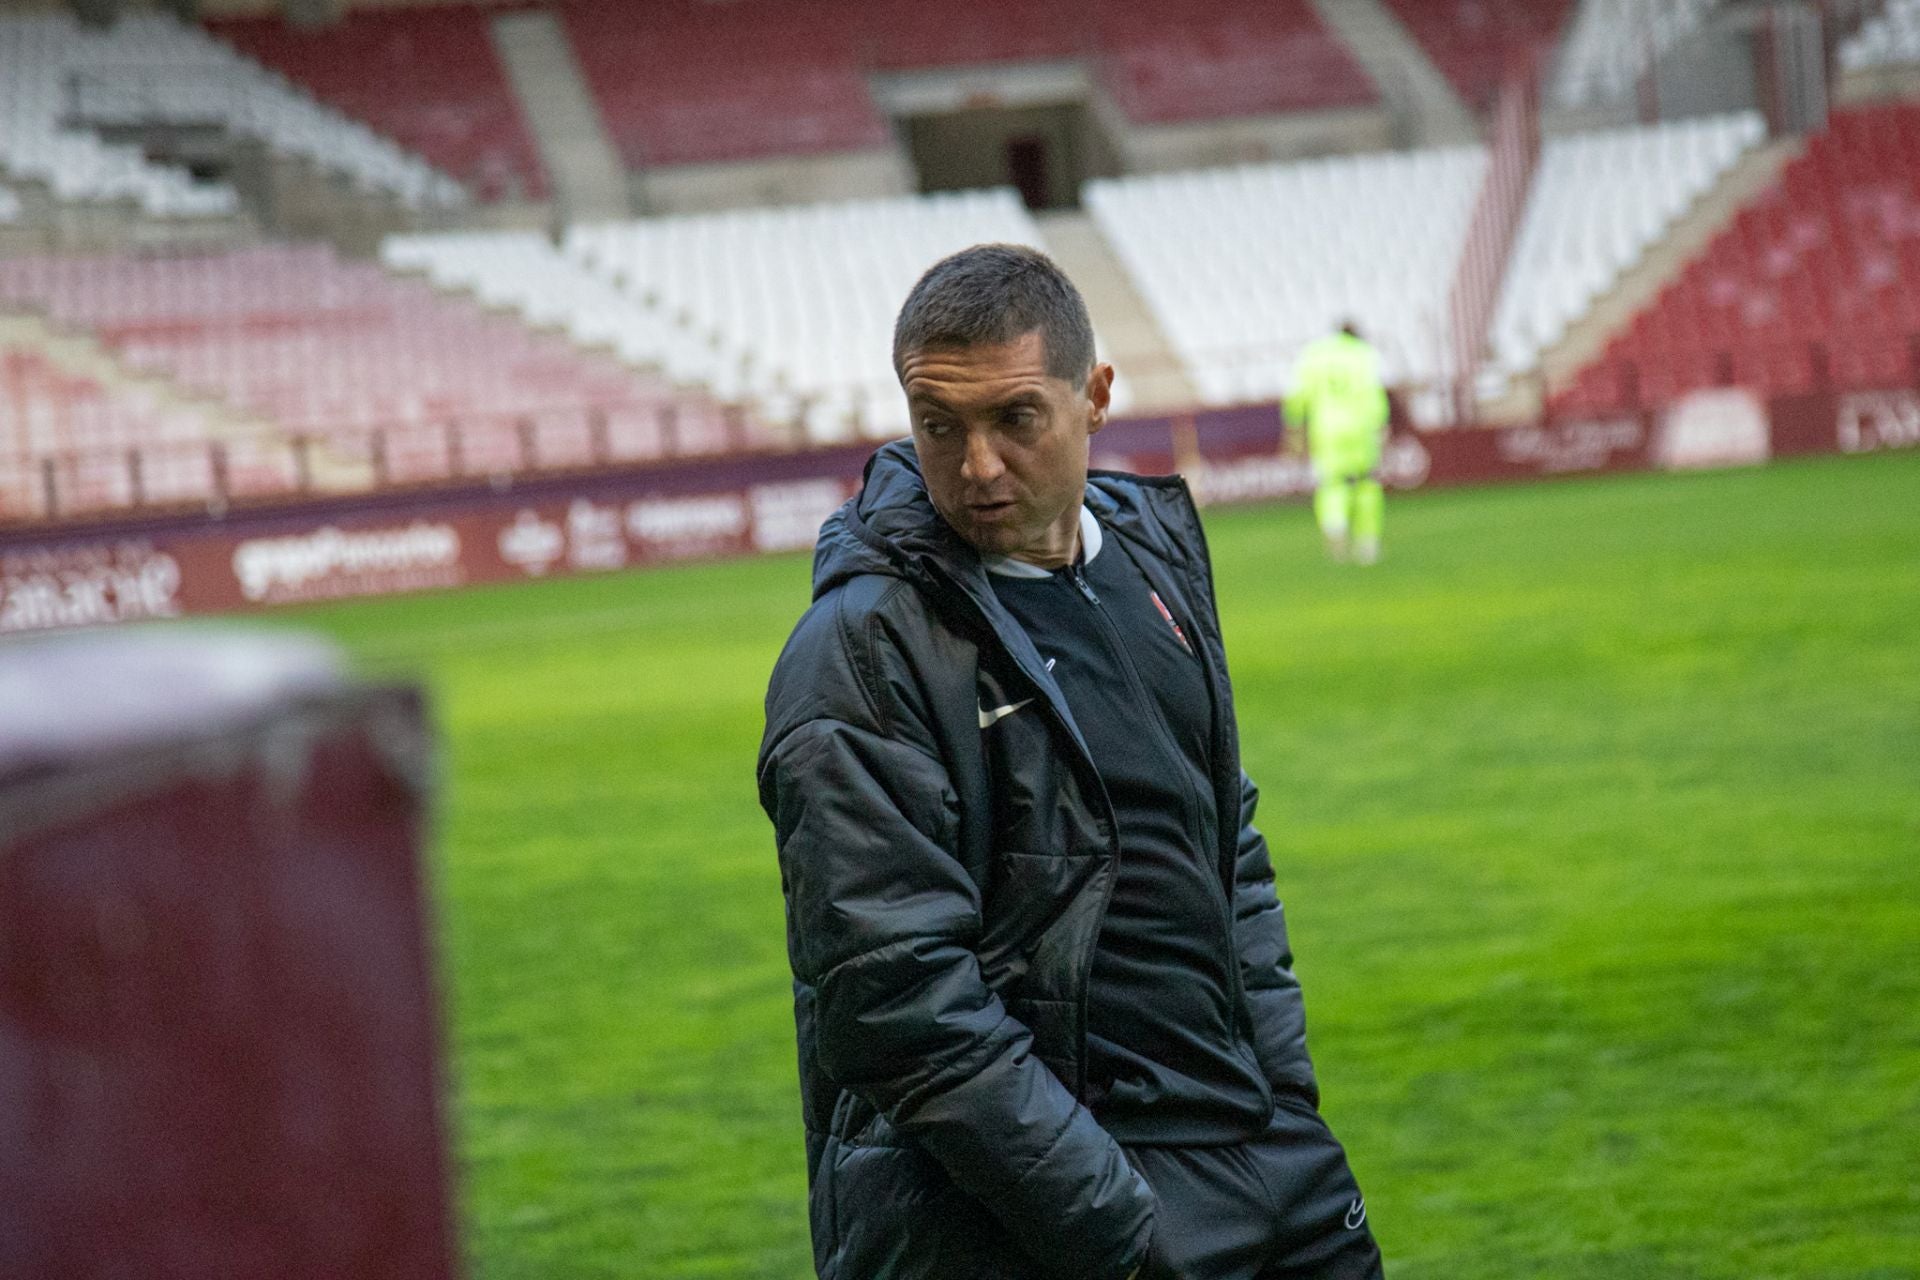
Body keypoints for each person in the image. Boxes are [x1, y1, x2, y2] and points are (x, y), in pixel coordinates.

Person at [758, 245, 1382, 1280]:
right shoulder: (861, 649)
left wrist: (1286, 1105)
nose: (977, 465)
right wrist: (1117, 1226)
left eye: (1015, 418)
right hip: (1049, 1222)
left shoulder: (1152, 561)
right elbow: (897, 998)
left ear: (1095, 396)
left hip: (1264, 1161)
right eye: (939, 423)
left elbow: (1228, 847)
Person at [1283, 323, 1392, 565]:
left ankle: (1336, 531)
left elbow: (1299, 394)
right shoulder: (1363, 354)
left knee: (1332, 483)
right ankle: (1367, 543)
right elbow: (1373, 392)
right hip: (1361, 426)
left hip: (1326, 428)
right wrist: (1381, 423)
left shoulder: (1315, 354)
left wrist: (1294, 425)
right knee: (1366, 483)